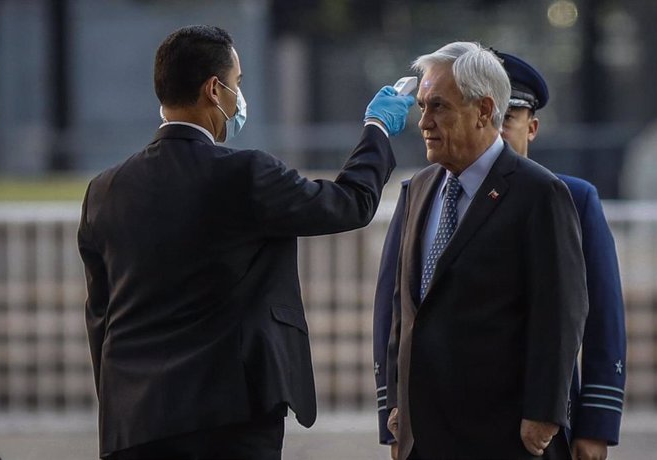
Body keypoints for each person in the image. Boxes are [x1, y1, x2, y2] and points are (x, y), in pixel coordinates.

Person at [77, 25, 414, 460]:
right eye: (238, 83)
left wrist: (121, 403)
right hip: (228, 419)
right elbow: (349, 203)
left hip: (135, 421)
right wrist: (377, 129)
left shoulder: (104, 189)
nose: (240, 95)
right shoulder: (245, 174)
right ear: (214, 90)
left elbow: (100, 316)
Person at [373, 50, 627, 460]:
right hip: (425, 435)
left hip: (505, 436)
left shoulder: (543, 193)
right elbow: (400, 309)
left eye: (438, 106)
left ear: (484, 111)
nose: (423, 123)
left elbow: (565, 311)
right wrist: (395, 404)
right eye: (422, 107)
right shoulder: (417, 189)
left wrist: (552, 413)